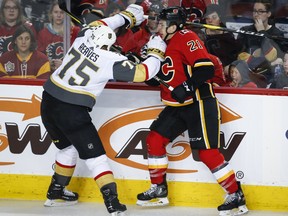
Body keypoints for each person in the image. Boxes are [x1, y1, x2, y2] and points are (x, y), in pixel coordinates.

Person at [40, 4, 166, 216]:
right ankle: (112, 203)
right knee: (96, 158)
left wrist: (127, 16)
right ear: (109, 45)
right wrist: (156, 51)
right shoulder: (110, 59)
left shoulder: (83, 35)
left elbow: (106, 23)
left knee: (67, 148)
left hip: (49, 101)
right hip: (72, 111)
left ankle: (56, 193)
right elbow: (144, 72)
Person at [136, 6, 249, 216]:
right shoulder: (160, 44)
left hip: (199, 101)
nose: (157, 27)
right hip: (177, 105)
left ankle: (235, 195)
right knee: (154, 139)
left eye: (161, 23)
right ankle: (159, 190)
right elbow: (155, 81)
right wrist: (142, 66)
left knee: (207, 153)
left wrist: (186, 87)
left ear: (173, 25)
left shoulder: (186, 36)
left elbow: (205, 68)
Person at [236, 0, 286, 85]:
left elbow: (275, 57)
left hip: (270, 75)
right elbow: (240, 55)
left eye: (260, 11)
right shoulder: (245, 30)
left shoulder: (277, 33)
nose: (256, 14)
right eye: (254, 11)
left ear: (268, 14)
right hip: (247, 73)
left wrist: (261, 31)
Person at [37, 1, 80, 72]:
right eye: (56, 12)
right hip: (48, 73)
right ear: (51, 14)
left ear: (66, 14)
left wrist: (64, 64)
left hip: (69, 73)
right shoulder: (43, 33)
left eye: (62, 12)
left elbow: (79, 57)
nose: (59, 15)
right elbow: (39, 56)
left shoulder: (75, 31)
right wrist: (48, 64)